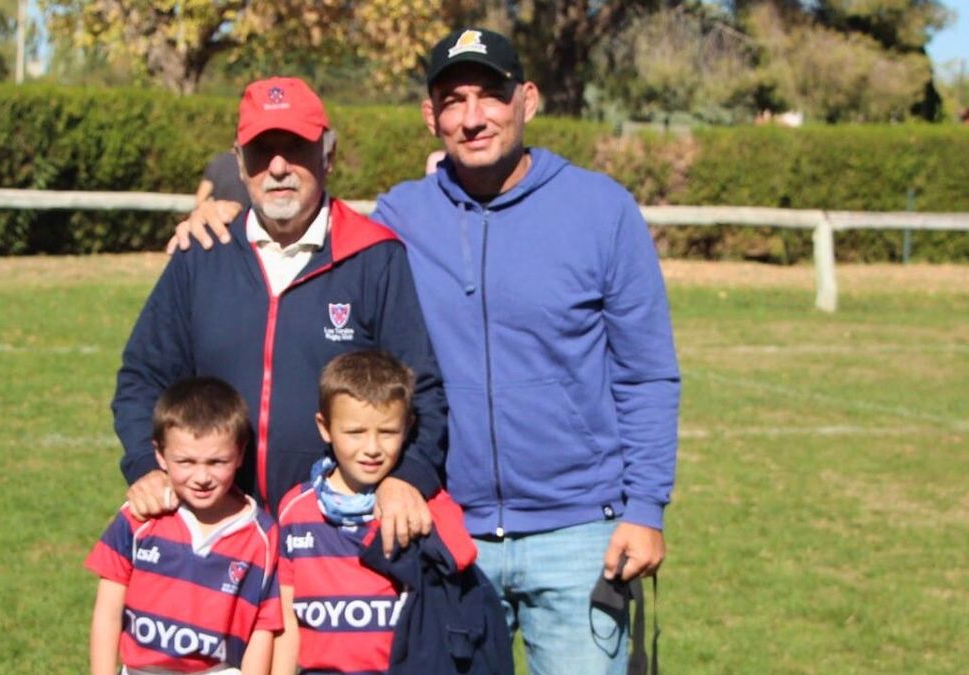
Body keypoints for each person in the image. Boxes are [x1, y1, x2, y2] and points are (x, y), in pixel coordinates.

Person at [168, 29, 681, 675]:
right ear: (429, 116)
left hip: (579, 533)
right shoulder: (399, 216)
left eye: (489, 96)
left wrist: (645, 508)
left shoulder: (602, 209)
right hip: (442, 531)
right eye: (451, 99)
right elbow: (303, 215)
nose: (472, 117)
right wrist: (215, 219)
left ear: (528, 98)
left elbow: (648, 374)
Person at [113, 76, 448, 555]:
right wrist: (147, 465)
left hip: (339, 538)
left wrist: (410, 476)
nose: (277, 167)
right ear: (239, 162)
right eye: (260, 150)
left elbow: (423, 391)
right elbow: (142, 376)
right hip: (217, 533)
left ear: (327, 156)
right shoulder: (202, 250)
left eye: (295, 148)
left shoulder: (374, 256)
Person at [272, 350, 510, 675]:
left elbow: (459, 563)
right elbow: (287, 620)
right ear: (324, 427)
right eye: (355, 432)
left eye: (387, 432)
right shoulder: (294, 511)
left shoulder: (418, 505)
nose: (372, 448)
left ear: (408, 426)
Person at [86, 377, 280, 675]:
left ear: (240, 454)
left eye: (216, 462)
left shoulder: (262, 537)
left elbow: (262, 629)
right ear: (160, 455)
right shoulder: (139, 517)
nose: (201, 477)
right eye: (186, 462)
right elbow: (108, 613)